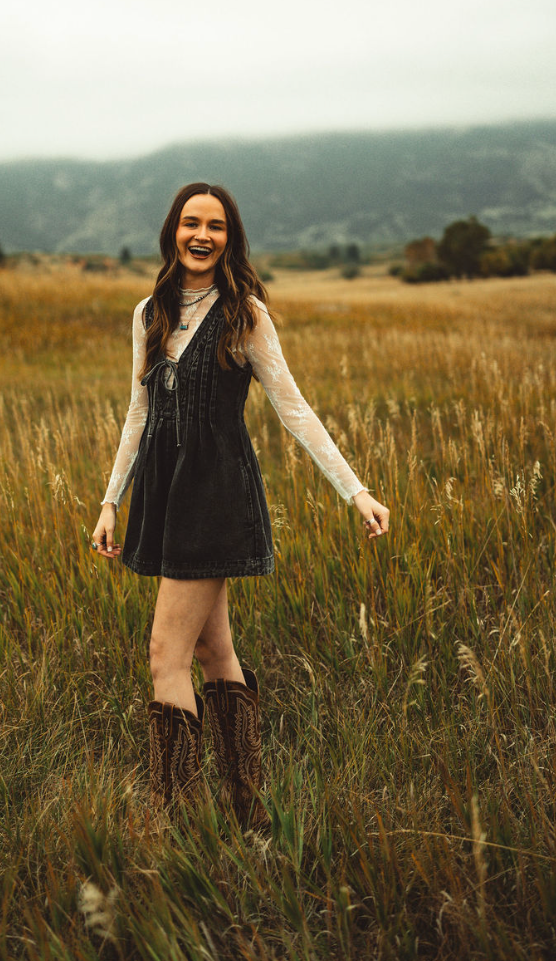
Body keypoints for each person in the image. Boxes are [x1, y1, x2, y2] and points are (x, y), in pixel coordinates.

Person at [91, 183, 389, 829]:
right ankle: (248, 809)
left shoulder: (245, 314)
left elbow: (293, 409)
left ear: (231, 237)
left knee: (163, 658)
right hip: (164, 495)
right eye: (191, 223)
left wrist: (356, 489)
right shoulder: (149, 314)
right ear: (174, 230)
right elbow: (139, 415)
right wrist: (111, 500)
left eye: (216, 226)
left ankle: (176, 823)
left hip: (216, 496)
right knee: (211, 653)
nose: (202, 236)